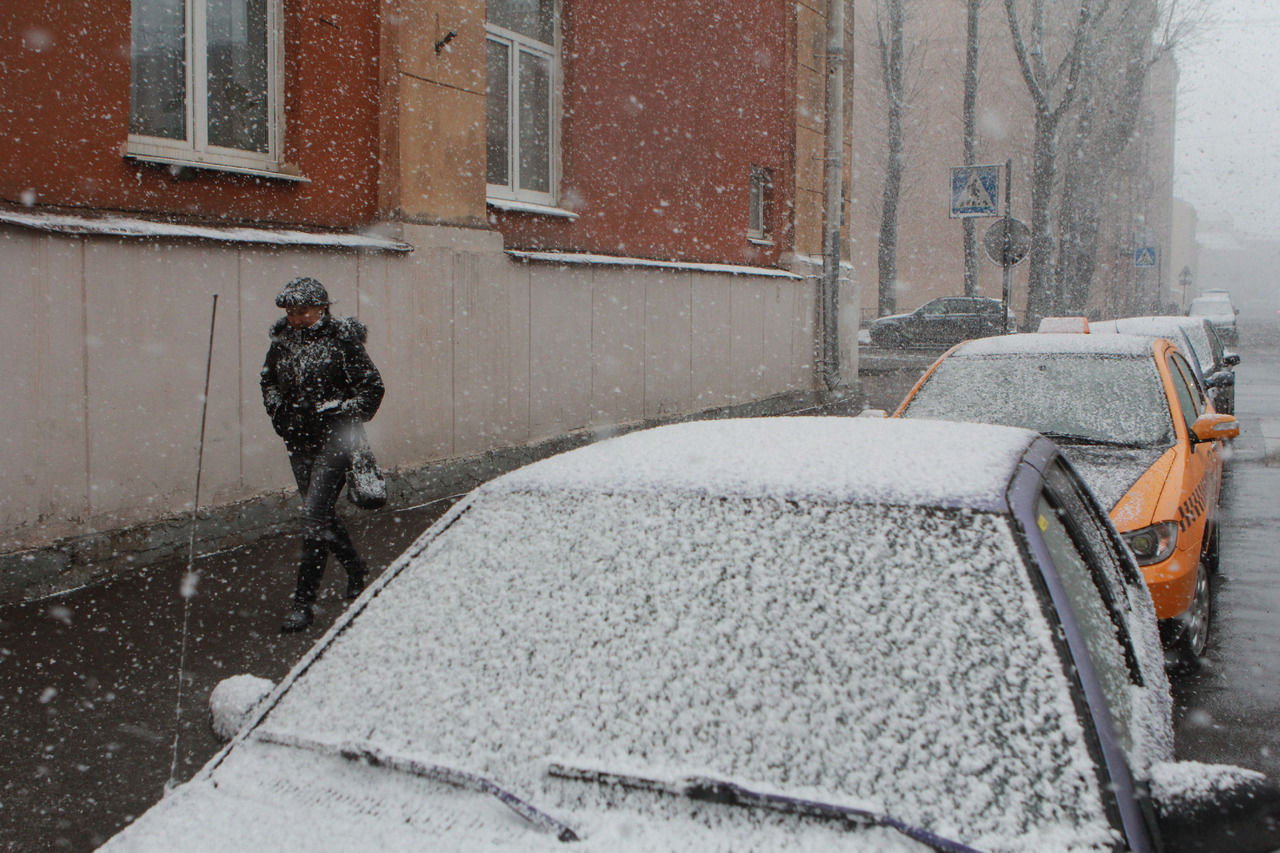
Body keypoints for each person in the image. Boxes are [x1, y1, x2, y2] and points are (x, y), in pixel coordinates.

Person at [260, 276, 384, 632]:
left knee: (313, 519)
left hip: (336, 441)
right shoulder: (282, 341)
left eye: (301, 312)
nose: (294, 319)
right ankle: (356, 567)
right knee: (323, 516)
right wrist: (279, 413)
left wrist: (341, 411)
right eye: (290, 312)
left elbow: (372, 387)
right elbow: (267, 380)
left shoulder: (342, 341)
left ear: (321, 309)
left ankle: (303, 604)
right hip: (298, 439)